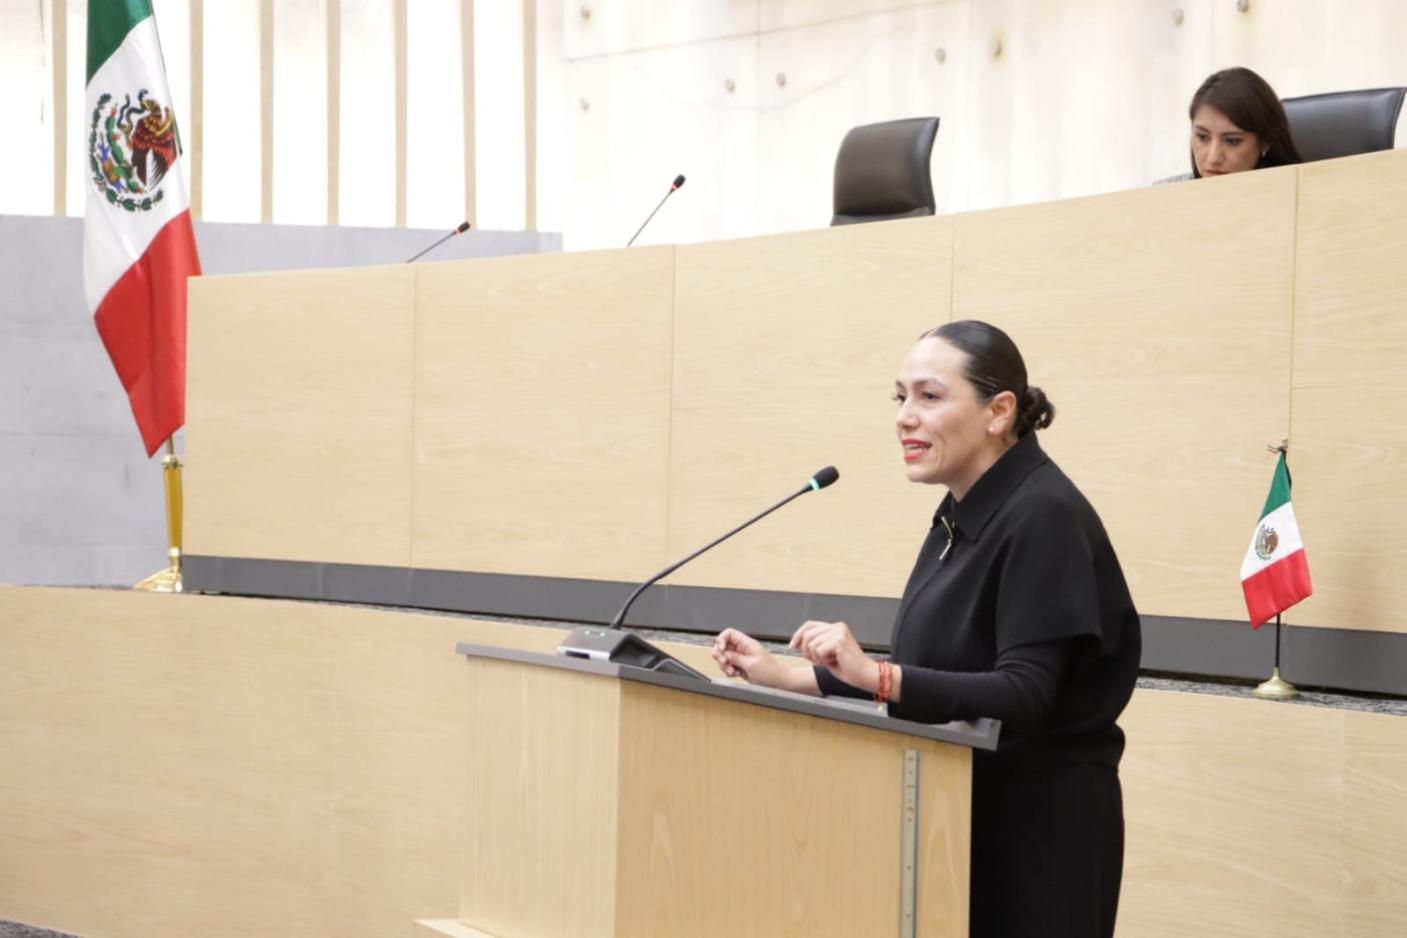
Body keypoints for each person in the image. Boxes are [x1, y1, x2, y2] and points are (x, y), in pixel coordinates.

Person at [713, 320, 1141, 938]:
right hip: (958, 814)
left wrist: (878, 675)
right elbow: (935, 679)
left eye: (929, 396)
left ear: (999, 411)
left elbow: (1022, 694)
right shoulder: (962, 514)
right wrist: (782, 675)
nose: (904, 417)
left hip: (1036, 836)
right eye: (900, 397)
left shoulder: (1041, 514)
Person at [1157, 66, 1303, 183]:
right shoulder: (1164, 195)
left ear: (1265, 142)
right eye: (1202, 137)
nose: (1213, 158)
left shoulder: (1298, 198)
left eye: (1232, 141)